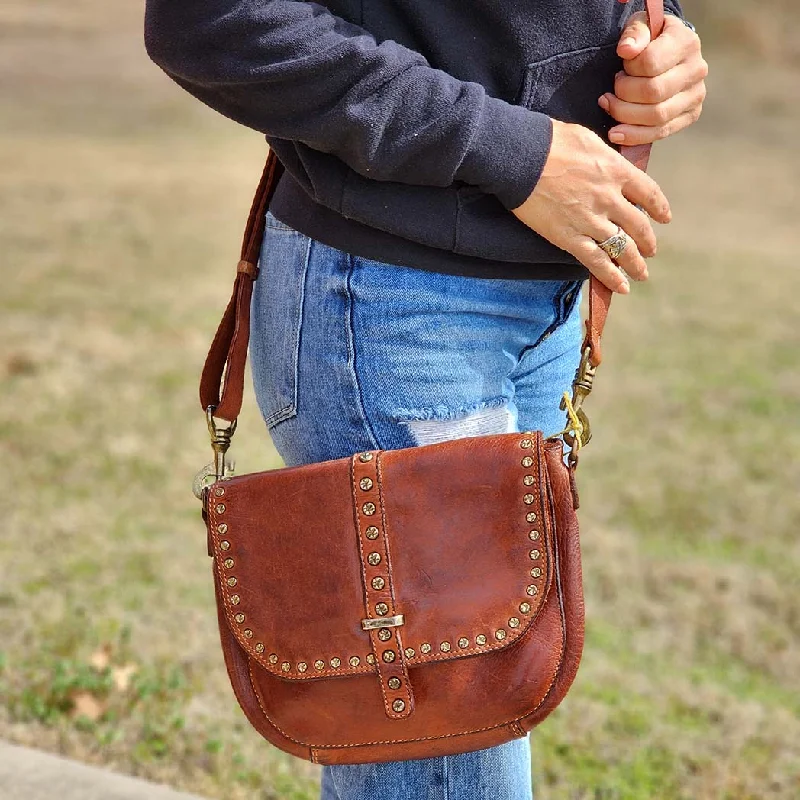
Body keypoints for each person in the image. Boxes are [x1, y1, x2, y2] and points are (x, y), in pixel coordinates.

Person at [145, 1, 707, 797]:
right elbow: (214, 21)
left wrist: (662, 35)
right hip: (396, 310)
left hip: (542, 304)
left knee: (463, 732)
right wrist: (515, 151)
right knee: (456, 755)